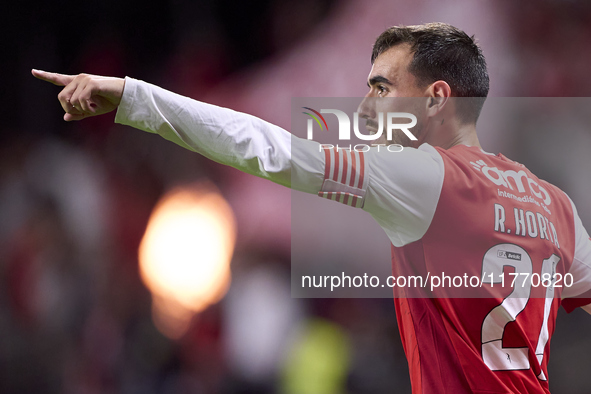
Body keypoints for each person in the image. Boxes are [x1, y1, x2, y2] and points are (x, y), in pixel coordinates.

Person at [33, 22, 591, 394]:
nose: (366, 105)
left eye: (382, 87)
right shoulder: (553, 204)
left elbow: (270, 150)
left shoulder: (424, 178)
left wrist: (133, 97)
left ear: (436, 98)